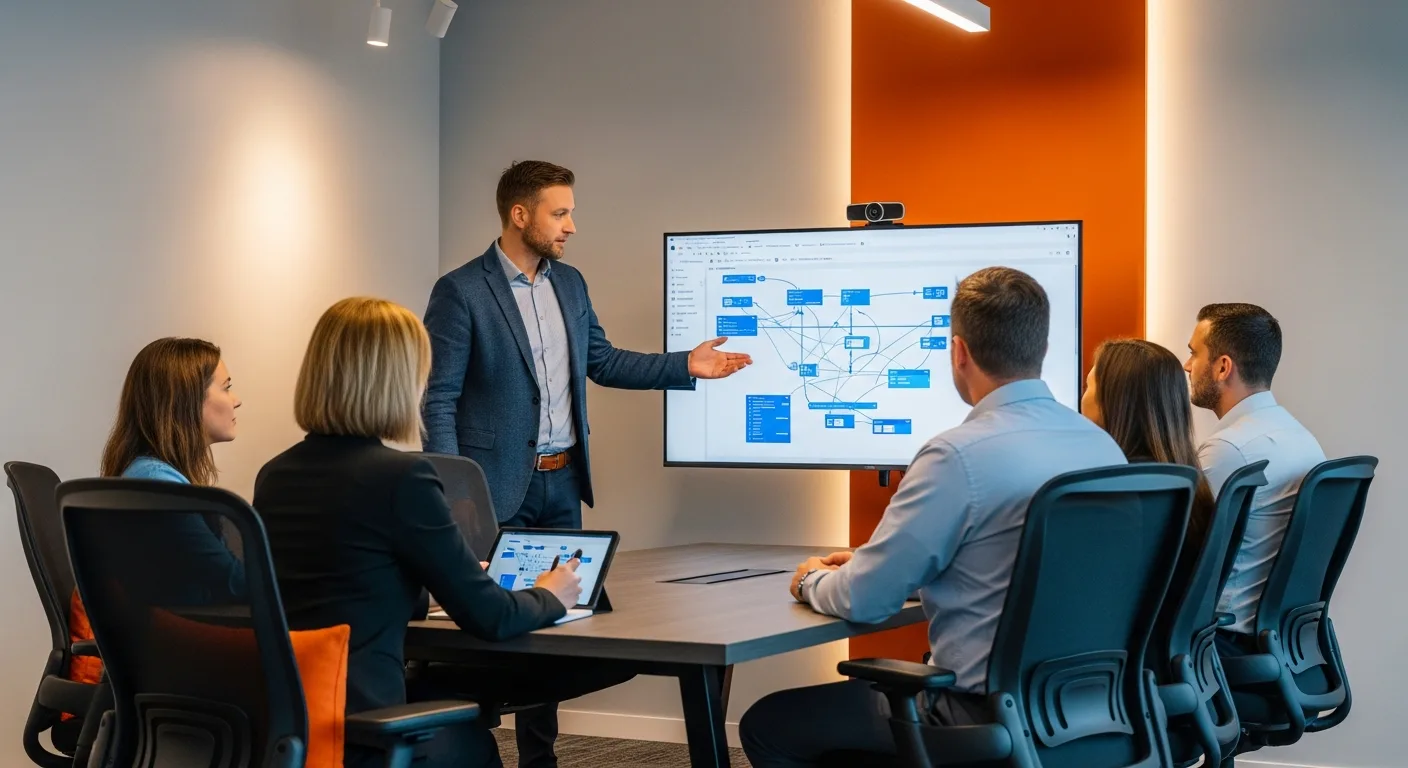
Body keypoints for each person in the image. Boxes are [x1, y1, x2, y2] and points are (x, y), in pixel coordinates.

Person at [421, 160, 750, 762]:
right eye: (560, 212)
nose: (572, 225)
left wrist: (686, 366)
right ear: (520, 216)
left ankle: (541, 758)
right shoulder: (461, 291)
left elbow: (603, 361)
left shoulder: (569, 284)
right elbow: (438, 397)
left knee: (557, 624)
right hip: (493, 490)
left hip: (562, 483)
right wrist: (452, 492)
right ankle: (469, 746)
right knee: (496, 626)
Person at [739, 267, 1128, 767]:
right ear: (1041, 347)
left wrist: (812, 579)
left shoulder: (956, 455)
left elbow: (864, 599)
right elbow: (1015, 563)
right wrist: (884, 563)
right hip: (1089, 707)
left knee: (770, 724)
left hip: (975, 713)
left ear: (959, 351)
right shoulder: (1100, 446)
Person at [254, 297, 632, 768]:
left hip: (291, 719)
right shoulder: (400, 478)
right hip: (366, 725)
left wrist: (427, 586)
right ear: (396, 382)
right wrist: (551, 594)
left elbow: (338, 584)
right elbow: (490, 617)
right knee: (469, 737)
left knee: (452, 698)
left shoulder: (276, 475)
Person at [1184, 303, 1324, 649]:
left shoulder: (1230, 450)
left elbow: (1180, 554)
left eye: (1193, 354)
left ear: (1222, 366)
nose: (1187, 366)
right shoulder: (1301, 438)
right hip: (1285, 645)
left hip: (1225, 645)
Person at [1081, 338, 1215, 547]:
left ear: (1113, 402)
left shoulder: (1111, 496)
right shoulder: (1187, 484)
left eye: (1087, 386)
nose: (1083, 397)